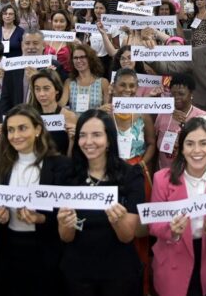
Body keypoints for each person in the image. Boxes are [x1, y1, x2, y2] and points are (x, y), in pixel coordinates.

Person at [58, 110, 144, 295]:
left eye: (96, 135)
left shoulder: (131, 175)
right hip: (77, 273)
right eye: (82, 135)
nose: (88, 142)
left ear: (109, 139)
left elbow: (127, 236)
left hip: (118, 273)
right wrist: (66, 223)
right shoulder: (67, 174)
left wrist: (117, 220)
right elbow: (65, 237)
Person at [150, 118, 206, 296]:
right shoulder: (162, 179)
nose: (197, 151)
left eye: (203, 143)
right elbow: (154, 225)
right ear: (181, 148)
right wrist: (171, 230)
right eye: (189, 144)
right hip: (174, 256)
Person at [0, 104, 69, 296]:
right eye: (10, 130)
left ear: (37, 129)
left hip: (45, 251)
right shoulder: (1, 165)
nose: (15, 135)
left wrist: (41, 219)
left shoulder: (60, 166)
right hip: (9, 249)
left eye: (22, 128)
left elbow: (66, 213)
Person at [155, 73, 206, 170]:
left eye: (181, 94)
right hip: (165, 174)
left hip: (192, 174)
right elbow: (154, 144)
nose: (176, 98)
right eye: (173, 94)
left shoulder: (203, 117)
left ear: (191, 94)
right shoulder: (162, 115)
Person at [28, 69, 77, 156]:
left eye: (46, 89)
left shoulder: (69, 116)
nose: (41, 94)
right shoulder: (31, 116)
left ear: (57, 90)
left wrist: (73, 139)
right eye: (37, 89)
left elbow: (73, 155)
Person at [61, 43, 109, 114]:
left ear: (90, 59)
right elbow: (61, 106)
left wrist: (98, 111)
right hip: (75, 123)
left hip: (96, 123)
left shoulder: (103, 82)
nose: (78, 61)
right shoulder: (69, 82)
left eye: (82, 57)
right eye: (75, 58)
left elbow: (107, 109)